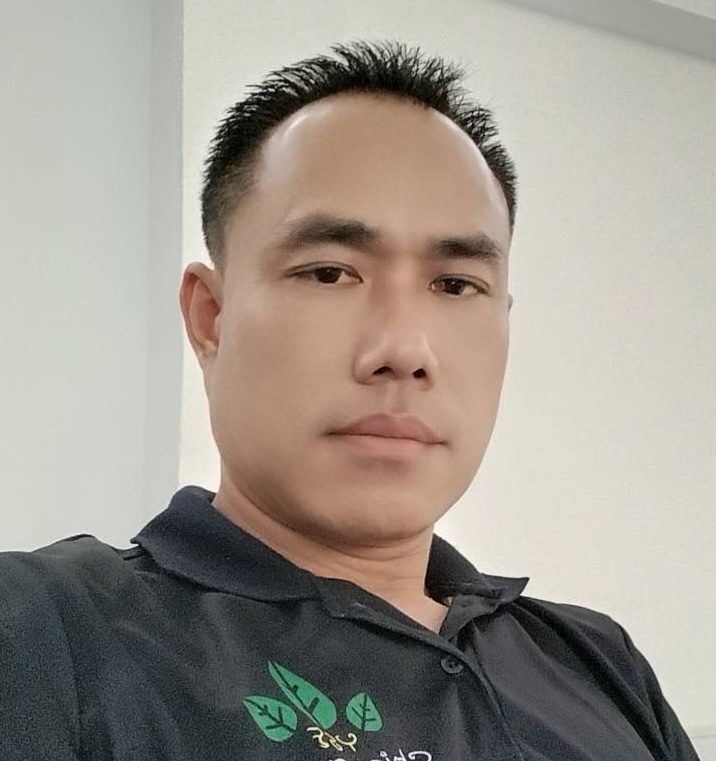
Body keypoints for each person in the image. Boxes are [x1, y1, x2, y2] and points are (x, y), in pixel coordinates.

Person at [0, 39, 700, 761]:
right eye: (330, 273)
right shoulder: (45, 634)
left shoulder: (598, 661)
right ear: (211, 317)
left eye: (456, 284)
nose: (404, 349)